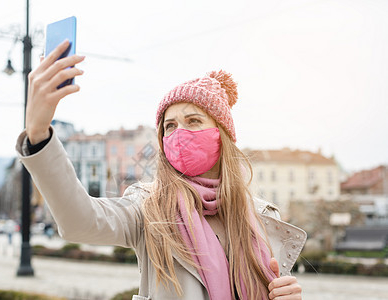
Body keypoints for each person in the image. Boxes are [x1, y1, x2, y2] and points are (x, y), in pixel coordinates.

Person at [16, 40, 306, 300]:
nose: (179, 133)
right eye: (170, 126)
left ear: (222, 134)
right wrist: (39, 133)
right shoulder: (149, 208)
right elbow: (81, 221)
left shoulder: (263, 218)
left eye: (193, 121)